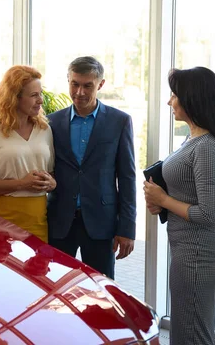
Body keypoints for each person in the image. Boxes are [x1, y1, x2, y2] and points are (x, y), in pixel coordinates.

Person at [143, 66, 215, 345]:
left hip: (198, 253)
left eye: (174, 95)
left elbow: (208, 214)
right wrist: (161, 202)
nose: (169, 102)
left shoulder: (206, 147)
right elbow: (189, 195)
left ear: (192, 99)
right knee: (185, 332)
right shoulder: (193, 138)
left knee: (193, 335)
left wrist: (163, 199)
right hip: (187, 248)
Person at [47, 56, 137, 279]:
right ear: (68, 80)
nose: (79, 92)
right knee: (55, 289)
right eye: (74, 84)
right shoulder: (51, 122)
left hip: (101, 223)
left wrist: (127, 228)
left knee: (102, 292)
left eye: (87, 85)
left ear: (100, 84)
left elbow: (127, 178)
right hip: (59, 222)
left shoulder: (120, 121)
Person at [0, 65, 56, 243]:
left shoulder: (44, 129)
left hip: (38, 220)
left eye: (40, 93)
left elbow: (50, 173)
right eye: (34, 95)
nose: (41, 100)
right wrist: (21, 183)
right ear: (15, 98)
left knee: (37, 271)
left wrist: (51, 183)